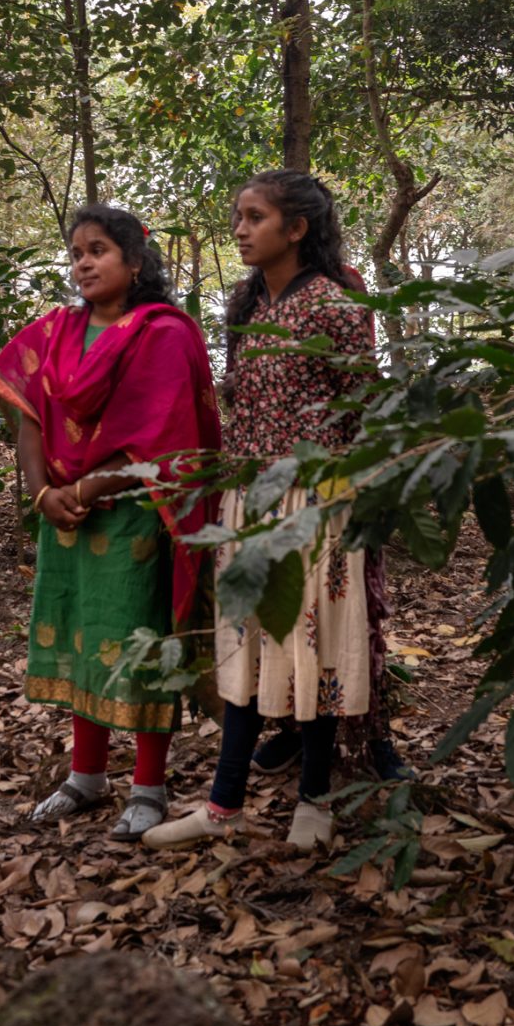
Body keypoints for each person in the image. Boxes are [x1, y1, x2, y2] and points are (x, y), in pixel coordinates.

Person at [146, 171, 377, 851]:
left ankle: (316, 796)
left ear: (297, 229)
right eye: (237, 216)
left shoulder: (334, 306)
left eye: (254, 217)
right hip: (248, 500)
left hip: (317, 502)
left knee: (314, 647)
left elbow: (360, 410)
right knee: (243, 646)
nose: (240, 229)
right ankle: (224, 805)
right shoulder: (245, 302)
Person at [0, 204, 221, 842]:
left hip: (137, 513)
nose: (83, 263)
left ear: (135, 261)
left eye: (98, 251)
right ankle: (85, 776)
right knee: (77, 633)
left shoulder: (163, 332)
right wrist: (42, 494)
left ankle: (148, 787)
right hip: (64, 514)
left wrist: (85, 486)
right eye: (76, 253)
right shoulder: (56, 331)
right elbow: (30, 413)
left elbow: (167, 436)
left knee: (136, 639)